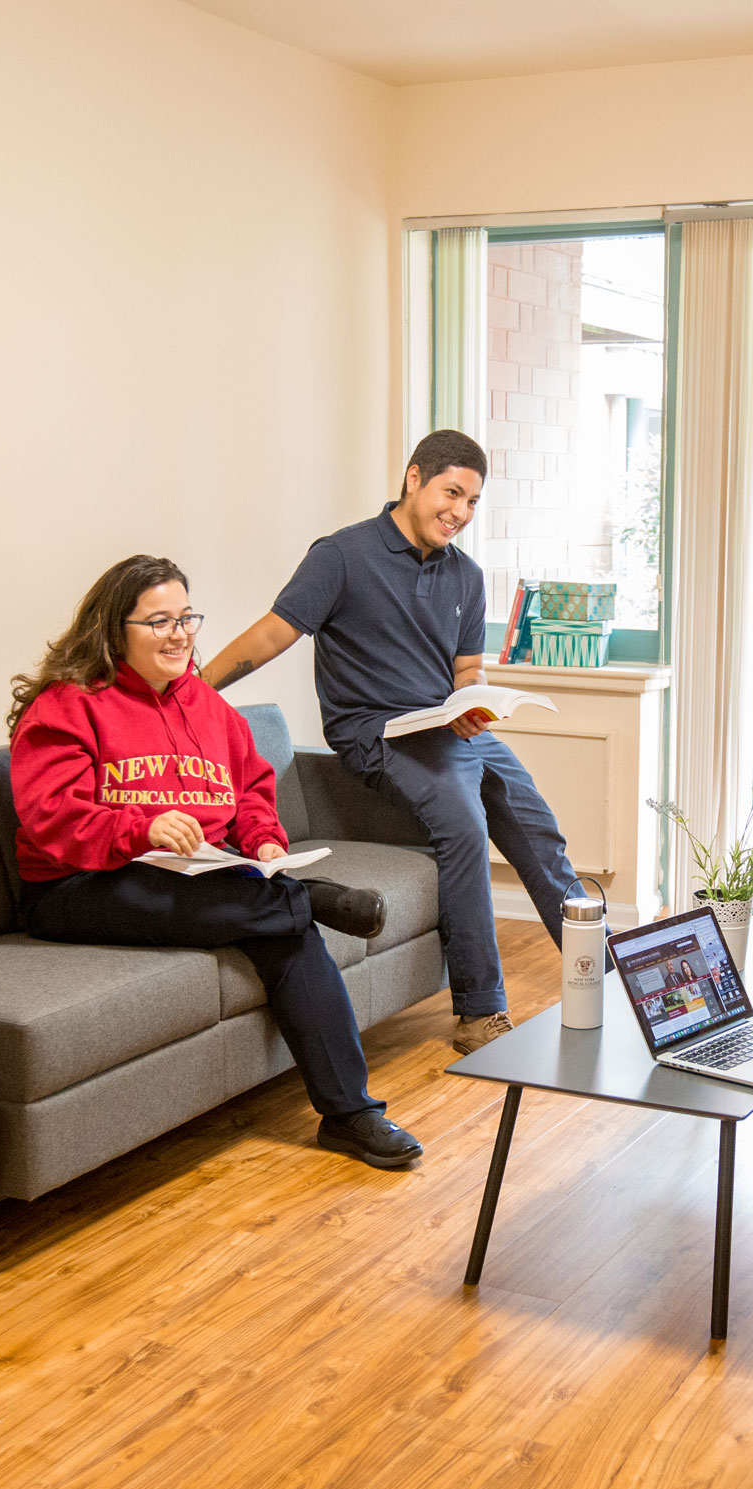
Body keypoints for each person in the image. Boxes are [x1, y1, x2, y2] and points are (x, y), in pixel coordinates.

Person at [6, 554, 423, 1170]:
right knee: (280, 911)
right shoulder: (68, 705)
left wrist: (263, 841)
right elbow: (51, 816)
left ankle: (351, 1115)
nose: (180, 634)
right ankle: (311, 898)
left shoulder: (203, 702)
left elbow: (251, 788)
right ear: (113, 631)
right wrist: (139, 825)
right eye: (159, 622)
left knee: (284, 927)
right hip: (79, 884)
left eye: (186, 617)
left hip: (195, 873)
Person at [204, 430, 582, 1055]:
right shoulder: (342, 556)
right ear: (413, 480)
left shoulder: (466, 576)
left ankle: (601, 971)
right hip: (380, 734)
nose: (459, 512)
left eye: (472, 502)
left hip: (447, 728)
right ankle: (480, 1011)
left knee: (535, 823)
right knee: (463, 824)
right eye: (451, 492)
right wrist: (195, 686)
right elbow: (274, 634)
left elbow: (467, 669)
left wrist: (474, 702)